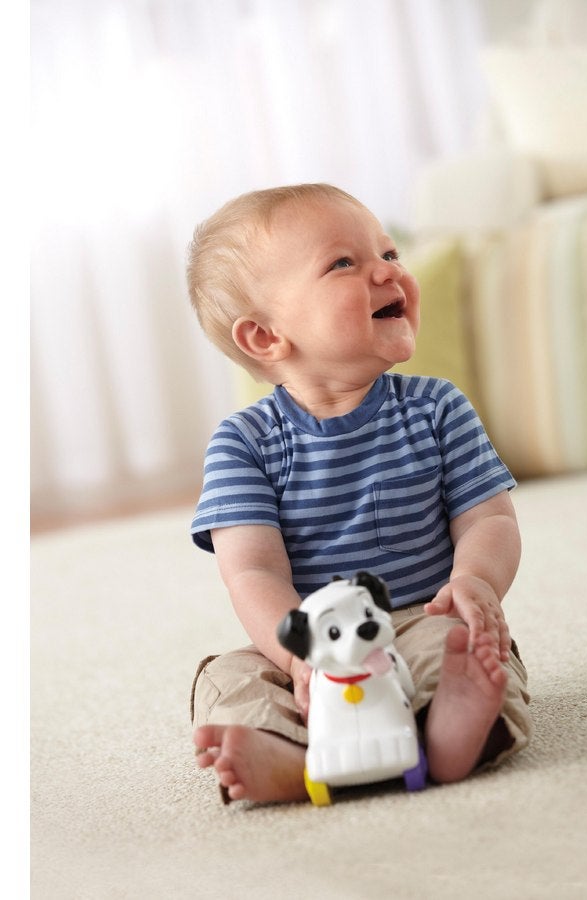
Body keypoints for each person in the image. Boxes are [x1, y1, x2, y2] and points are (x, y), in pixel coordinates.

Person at [187, 183, 531, 804]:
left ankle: (450, 732)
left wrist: (475, 582)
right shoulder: (243, 443)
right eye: (343, 263)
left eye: (390, 253)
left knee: (464, 648)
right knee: (229, 676)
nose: (388, 270)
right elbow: (254, 572)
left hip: (419, 617)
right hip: (312, 644)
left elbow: (490, 520)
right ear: (265, 336)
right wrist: (300, 660)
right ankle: (291, 758)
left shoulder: (437, 408)